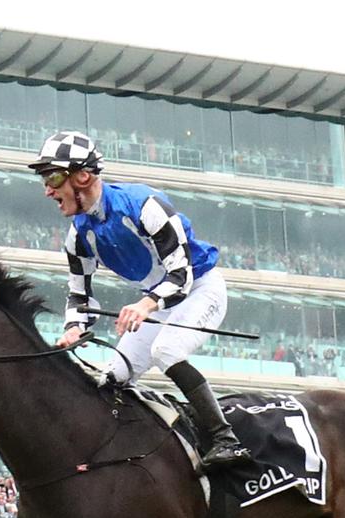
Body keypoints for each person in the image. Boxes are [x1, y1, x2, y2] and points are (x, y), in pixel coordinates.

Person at [29, 130, 251, 470]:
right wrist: (74, 328)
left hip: (200, 288)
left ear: (83, 176)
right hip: (159, 302)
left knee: (166, 350)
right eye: (45, 180)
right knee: (110, 380)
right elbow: (79, 295)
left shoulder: (145, 205)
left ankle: (226, 440)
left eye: (54, 178)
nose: (47, 191)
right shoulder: (78, 237)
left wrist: (145, 305)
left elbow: (181, 276)